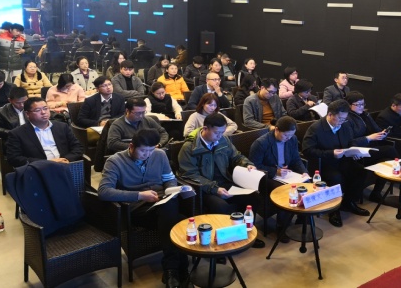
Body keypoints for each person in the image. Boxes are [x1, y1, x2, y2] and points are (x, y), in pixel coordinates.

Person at [98, 129, 191, 288]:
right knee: (178, 221)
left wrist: (171, 190)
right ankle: (182, 272)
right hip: (135, 209)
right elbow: (104, 191)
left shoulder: (159, 154)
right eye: (143, 151)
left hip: (161, 202)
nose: (147, 154)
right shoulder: (115, 161)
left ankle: (172, 271)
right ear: (131, 146)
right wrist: (140, 195)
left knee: (171, 211)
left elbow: (169, 178)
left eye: (151, 150)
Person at [178, 113, 265, 248]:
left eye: (222, 132)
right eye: (217, 133)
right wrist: (214, 189)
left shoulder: (223, 140)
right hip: (204, 189)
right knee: (221, 206)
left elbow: (236, 156)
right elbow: (190, 174)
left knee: (253, 197)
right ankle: (220, 242)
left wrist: (247, 164)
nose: (220, 136)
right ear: (205, 128)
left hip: (224, 182)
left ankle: (244, 234)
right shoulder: (190, 147)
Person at [302, 100, 370, 228]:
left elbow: (350, 141)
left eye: (344, 119)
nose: (342, 121)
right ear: (330, 114)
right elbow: (307, 150)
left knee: (361, 171)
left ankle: (348, 202)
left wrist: (354, 151)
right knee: (336, 178)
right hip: (325, 163)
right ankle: (334, 210)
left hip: (344, 160)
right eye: (340, 118)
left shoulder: (344, 125)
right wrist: (331, 153)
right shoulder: (316, 128)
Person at [249, 116, 309, 240]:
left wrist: (304, 172)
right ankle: (282, 227)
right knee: (285, 190)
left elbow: (296, 159)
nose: (288, 138)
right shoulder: (261, 143)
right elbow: (255, 166)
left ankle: (302, 217)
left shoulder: (292, 139)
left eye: (291, 135)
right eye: (286, 135)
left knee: (306, 183)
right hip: (267, 176)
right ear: (276, 129)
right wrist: (275, 171)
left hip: (286, 174)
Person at [344, 91, 401, 198]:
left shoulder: (366, 115)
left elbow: (376, 129)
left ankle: (376, 193)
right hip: (358, 152)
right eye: (358, 105)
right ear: (349, 105)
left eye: (363, 104)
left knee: (386, 160)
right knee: (390, 149)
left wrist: (382, 133)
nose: (361, 107)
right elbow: (349, 142)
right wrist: (369, 138)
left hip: (370, 148)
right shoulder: (347, 119)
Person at [6, 97, 83, 167]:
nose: (43, 112)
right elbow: (14, 158)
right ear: (27, 114)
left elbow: (78, 147)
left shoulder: (62, 127)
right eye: (38, 110)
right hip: (38, 170)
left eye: (45, 108)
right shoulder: (17, 133)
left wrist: (66, 159)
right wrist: (46, 163)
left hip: (65, 165)